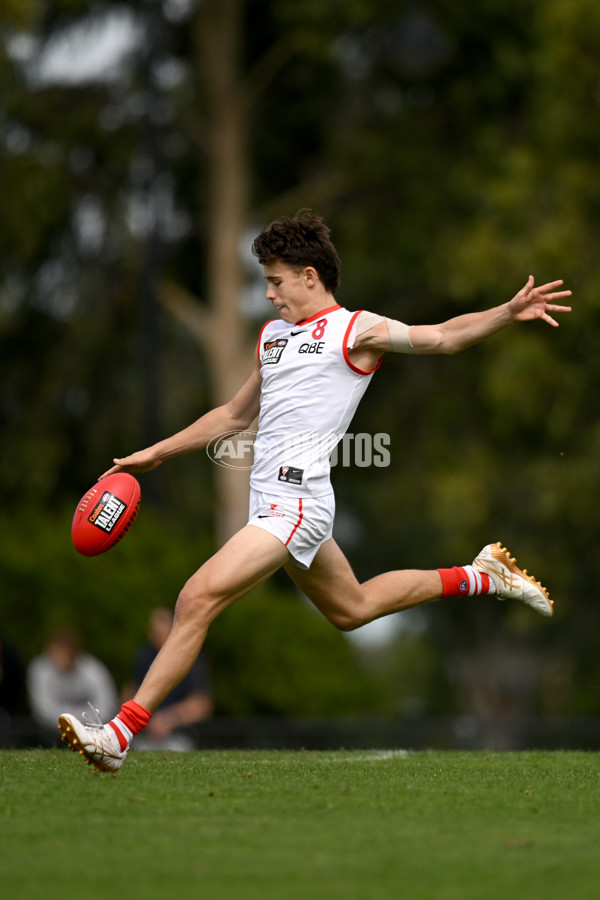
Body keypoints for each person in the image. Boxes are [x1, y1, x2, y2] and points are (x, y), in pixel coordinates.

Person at [58, 210, 572, 772]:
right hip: (273, 504)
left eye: (275, 281)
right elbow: (233, 415)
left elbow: (443, 338)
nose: (269, 293)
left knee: (194, 599)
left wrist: (507, 312)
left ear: (309, 276)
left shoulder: (356, 331)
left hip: (297, 505)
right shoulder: (272, 337)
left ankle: (118, 736)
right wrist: (156, 452)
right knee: (354, 608)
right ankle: (483, 575)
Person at [125, 606, 213, 751]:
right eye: (153, 632)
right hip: (145, 735)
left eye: (160, 632)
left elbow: (201, 705)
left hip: (179, 736)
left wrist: (169, 719)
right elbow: (129, 692)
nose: (155, 636)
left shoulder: (191, 657)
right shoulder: (144, 656)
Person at [29, 628, 119, 745]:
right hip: (53, 732)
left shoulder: (93, 670)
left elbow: (107, 705)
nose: (61, 657)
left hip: (91, 731)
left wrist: (80, 723)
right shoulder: (40, 670)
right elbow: (43, 710)